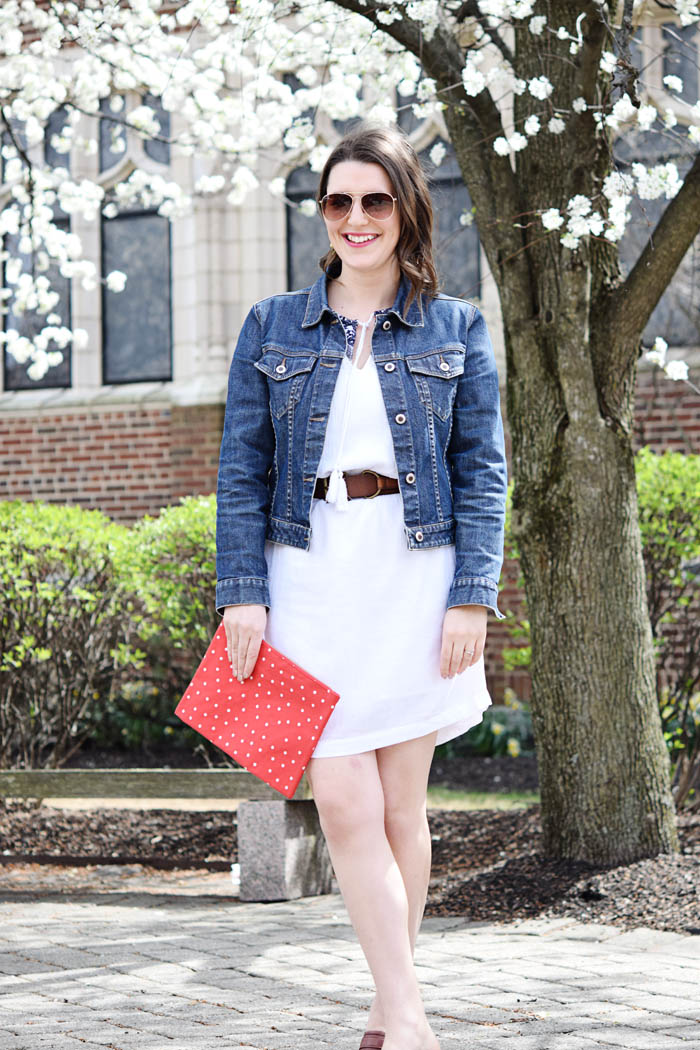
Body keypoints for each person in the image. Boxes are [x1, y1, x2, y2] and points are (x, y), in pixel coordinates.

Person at [215, 122, 508, 1050]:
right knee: (341, 798)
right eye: (337, 202)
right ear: (324, 217)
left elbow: (483, 470)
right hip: (305, 574)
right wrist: (241, 591)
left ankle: (389, 1011)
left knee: (400, 807)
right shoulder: (272, 326)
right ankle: (412, 1017)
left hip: (413, 576)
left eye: (373, 200)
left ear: (406, 209)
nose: (355, 218)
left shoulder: (457, 325)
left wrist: (473, 593)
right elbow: (241, 471)